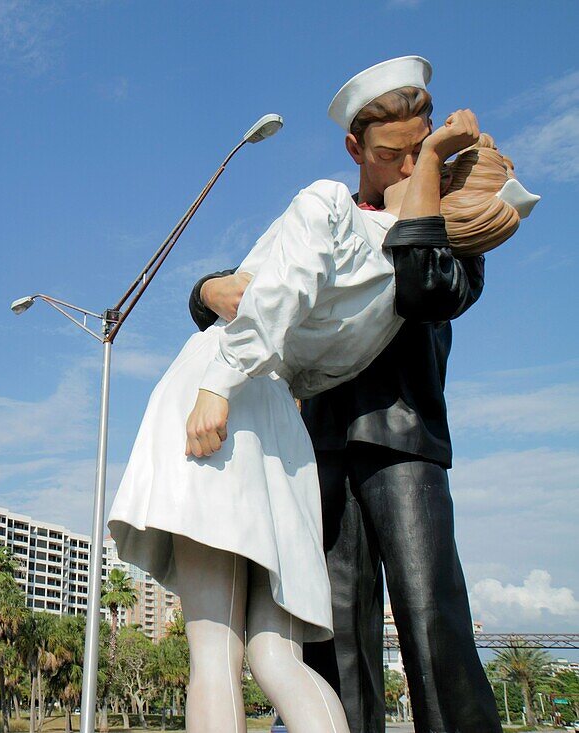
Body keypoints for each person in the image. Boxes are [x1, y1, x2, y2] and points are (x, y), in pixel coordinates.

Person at [186, 58, 537, 732]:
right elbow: (257, 291)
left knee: (430, 612)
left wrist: (435, 173)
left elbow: (427, 291)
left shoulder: (455, 218)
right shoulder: (328, 214)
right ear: (354, 149)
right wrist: (206, 289)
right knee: (333, 628)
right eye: (391, 155)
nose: (406, 167)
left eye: (419, 148)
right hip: (317, 443)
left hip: (404, 436)